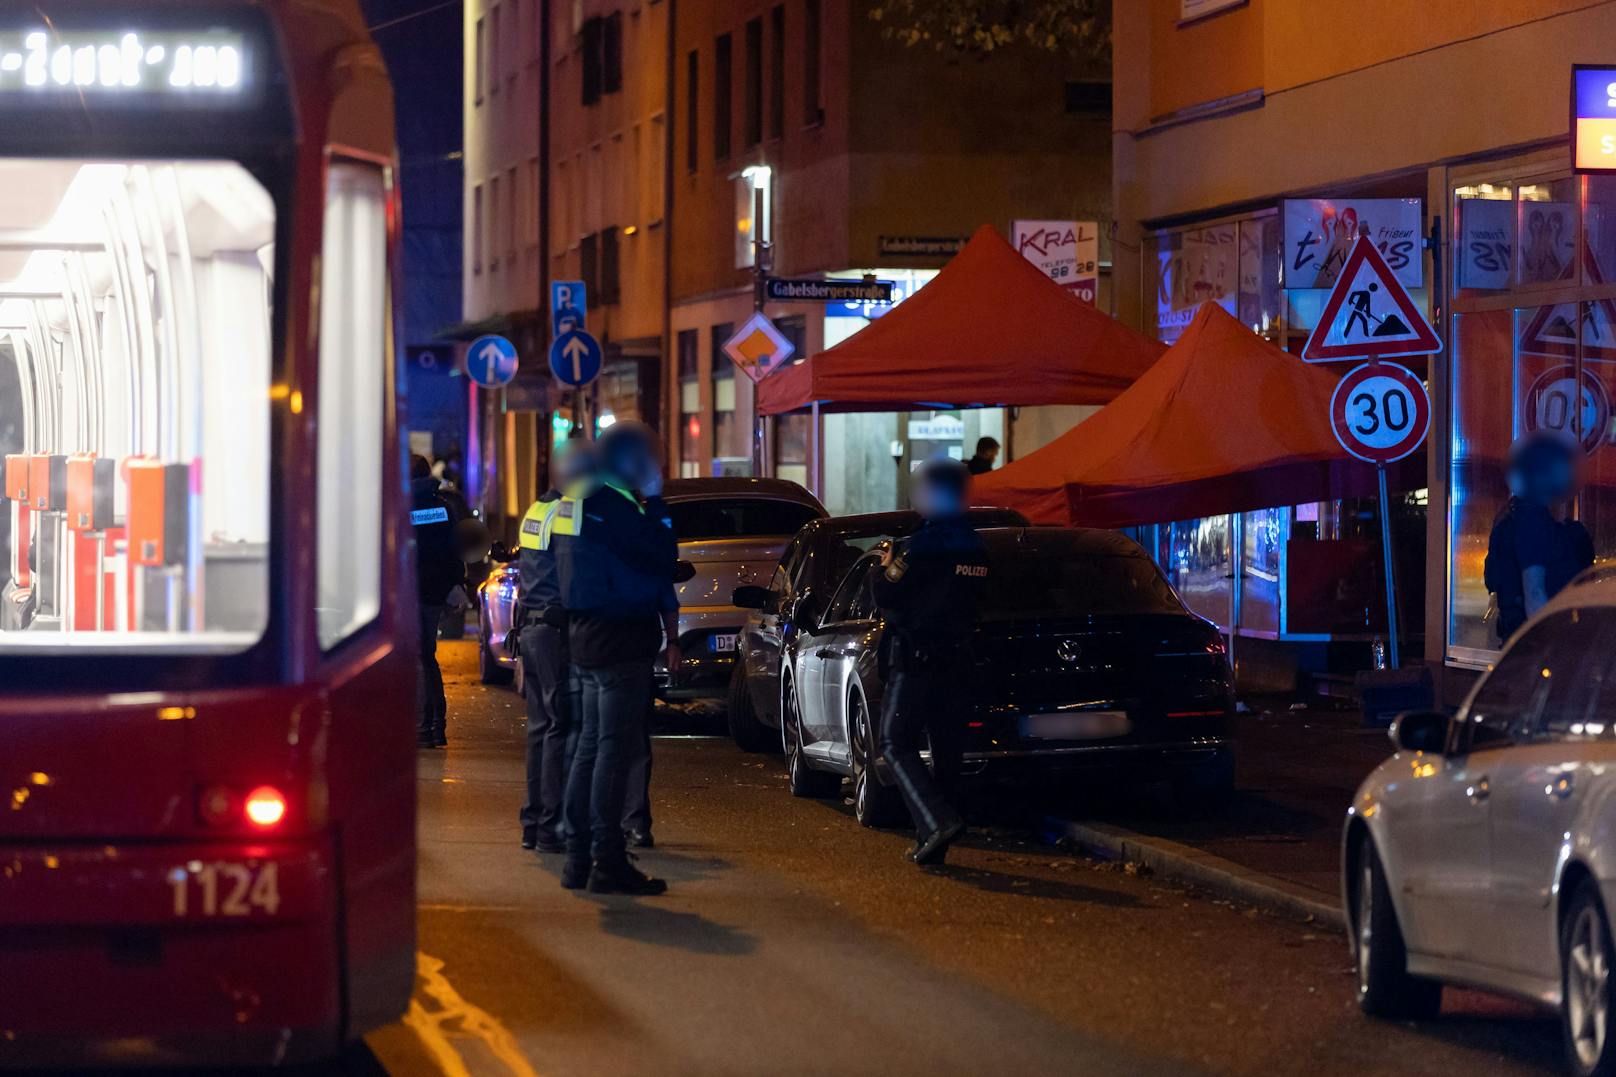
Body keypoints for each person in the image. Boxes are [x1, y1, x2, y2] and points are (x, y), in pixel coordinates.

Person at [553, 422, 681, 895]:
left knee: (588, 748)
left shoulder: (577, 499)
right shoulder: (616, 506)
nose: (653, 467)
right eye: (647, 459)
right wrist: (658, 503)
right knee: (613, 750)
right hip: (620, 638)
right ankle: (607, 859)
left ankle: (577, 857)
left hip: (584, 635)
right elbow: (664, 557)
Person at [873, 458, 990, 866]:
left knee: (894, 742)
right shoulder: (976, 545)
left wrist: (885, 565)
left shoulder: (924, 544)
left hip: (917, 659)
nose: (916, 496)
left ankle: (936, 821)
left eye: (922, 489)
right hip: (958, 660)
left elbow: (889, 595)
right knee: (947, 752)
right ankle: (936, 836)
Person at [516, 439, 596, 853]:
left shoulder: (535, 510)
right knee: (558, 727)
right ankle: (551, 826)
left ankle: (534, 823)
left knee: (540, 728)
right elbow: (571, 576)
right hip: (554, 630)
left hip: (532, 629)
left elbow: (526, 576)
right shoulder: (566, 514)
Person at [1484, 431, 1593, 644]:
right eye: (1562, 466)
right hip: (1533, 644)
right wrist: (1550, 648)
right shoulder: (1532, 518)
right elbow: (1534, 592)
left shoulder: (1514, 513)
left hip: (1519, 640)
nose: (1569, 473)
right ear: (1544, 471)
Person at [411, 454, 464, 748]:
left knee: (417, 657)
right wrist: (454, 584)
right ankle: (436, 725)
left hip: (411, 591)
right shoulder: (443, 507)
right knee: (427, 656)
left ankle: (421, 726)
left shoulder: (401, 506)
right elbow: (453, 550)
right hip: (435, 593)